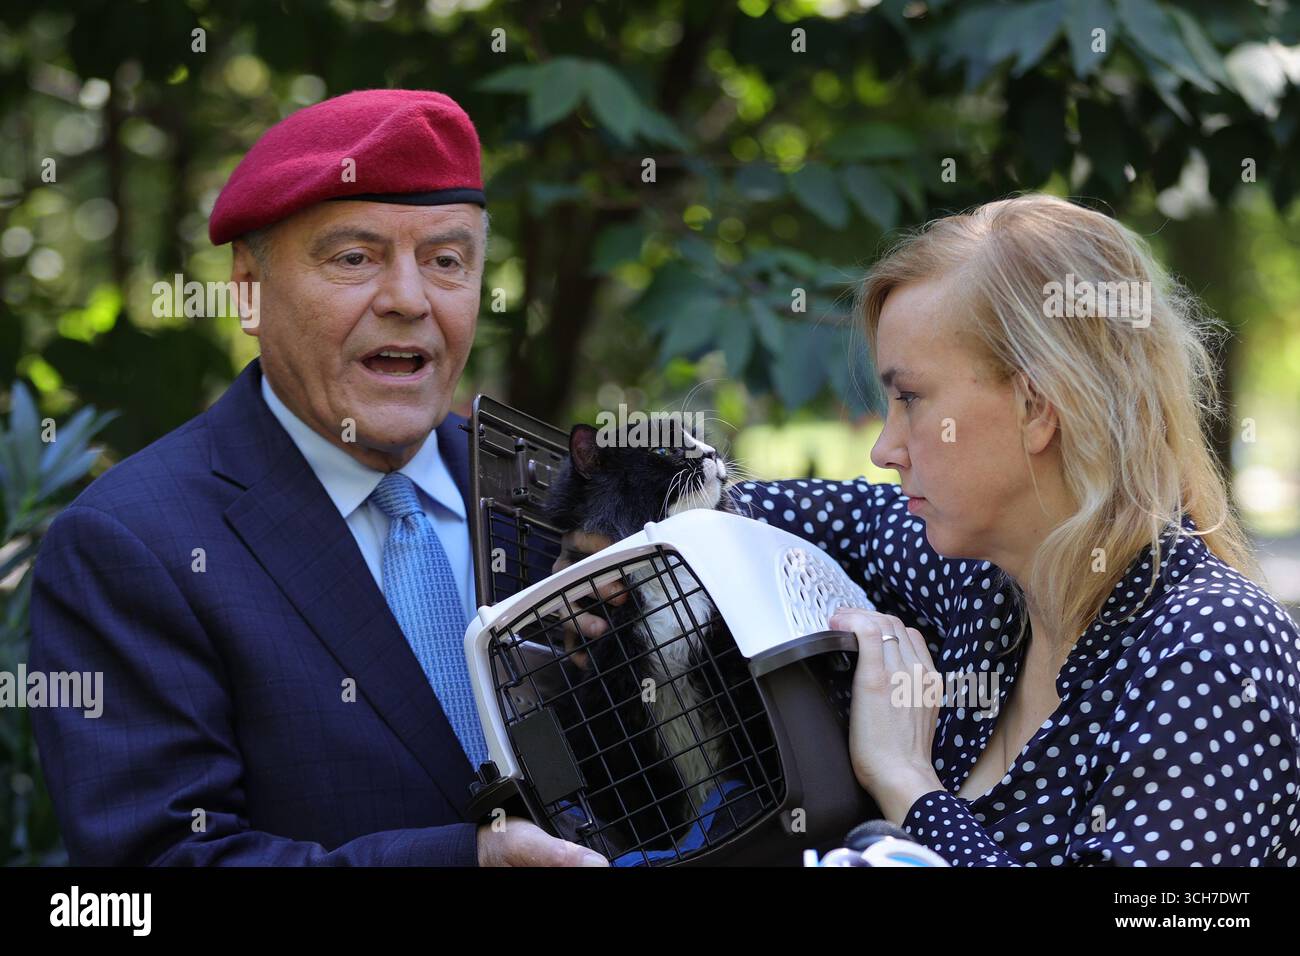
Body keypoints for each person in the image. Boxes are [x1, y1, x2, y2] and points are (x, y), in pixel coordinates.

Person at [559, 194, 1300, 866]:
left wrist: (910, 787)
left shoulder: (1216, 647)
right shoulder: (984, 583)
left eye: (911, 398)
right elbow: (789, 511)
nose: (886, 449)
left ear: (1039, 408)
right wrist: (614, 544)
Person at [28, 89, 607, 867]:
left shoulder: (557, 497)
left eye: (446, 260)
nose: (408, 299)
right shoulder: (132, 546)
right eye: (354, 257)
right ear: (247, 291)